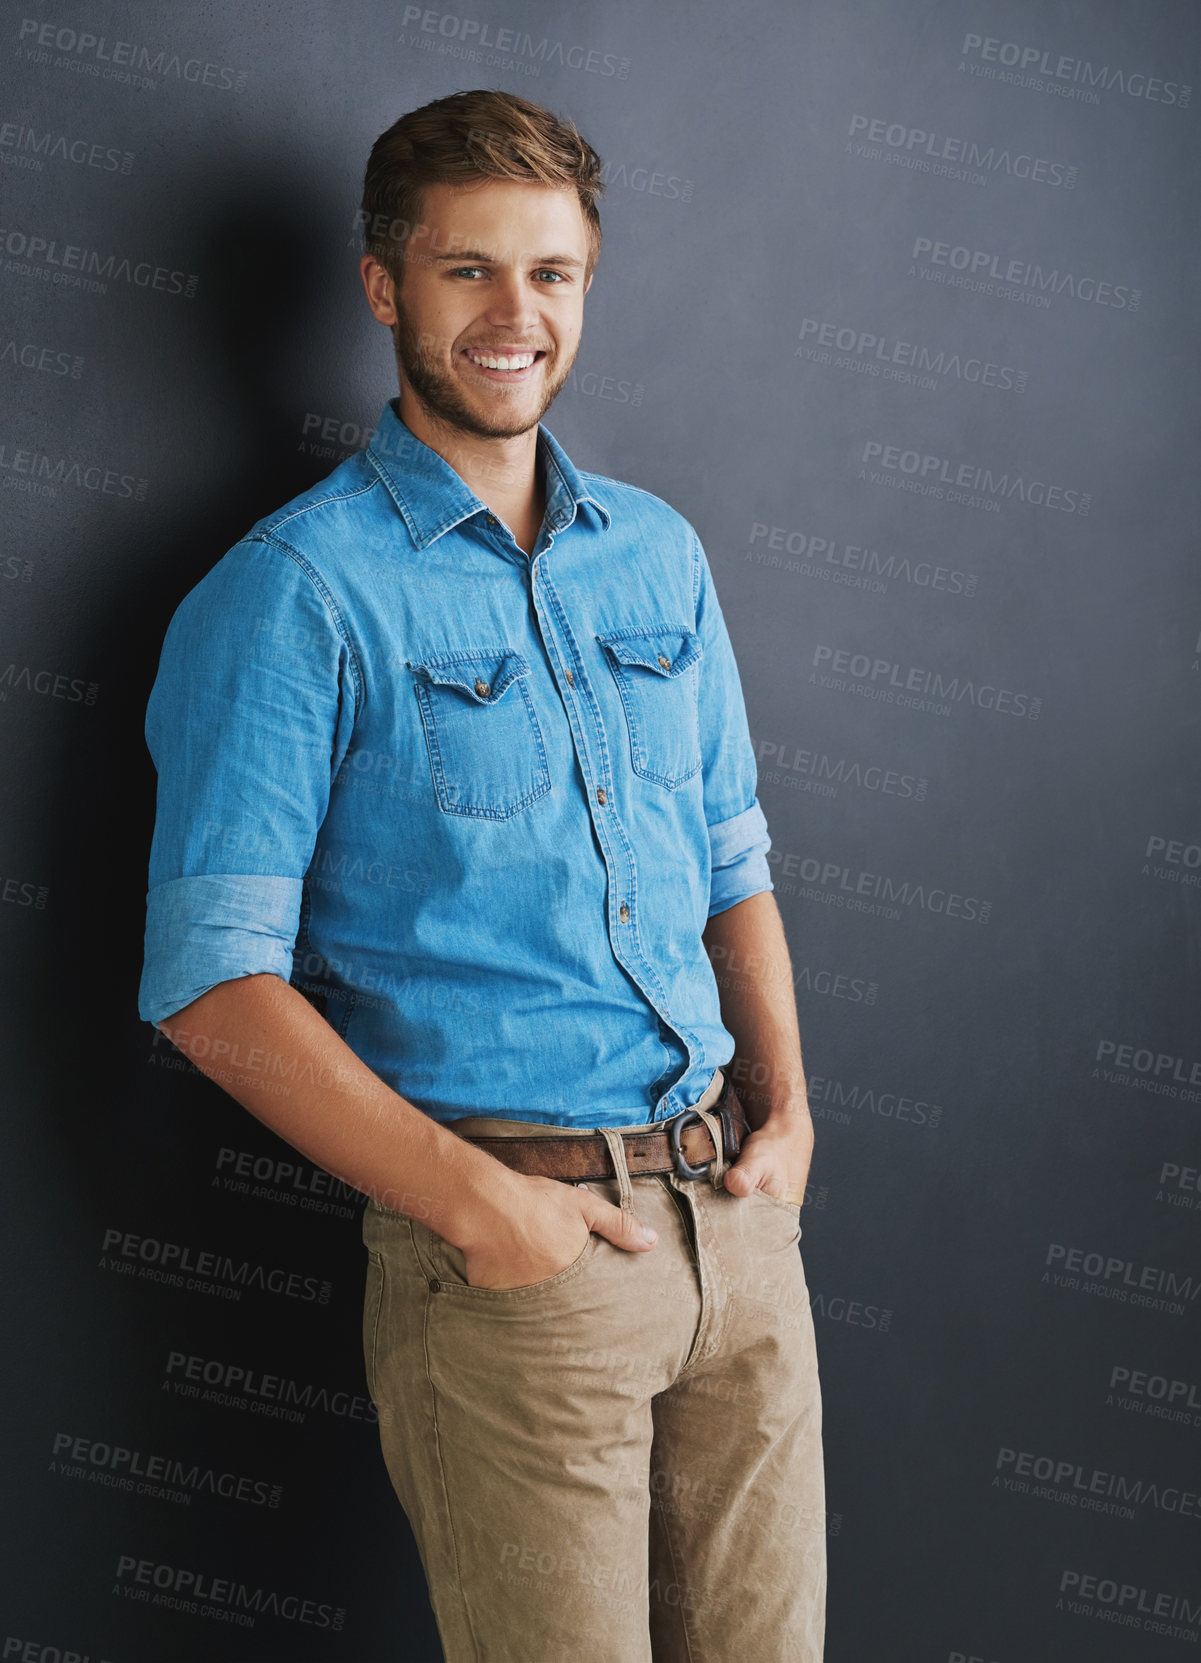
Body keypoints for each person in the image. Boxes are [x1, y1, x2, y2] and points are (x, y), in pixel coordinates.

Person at [139, 88, 825, 1662]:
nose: (515, 316)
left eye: (552, 274)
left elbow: (730, 856)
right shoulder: (293, 595)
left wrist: (784, 1117)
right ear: (384, 286)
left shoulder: (657, 553)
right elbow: (207, 984)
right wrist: (482, 1214)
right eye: (468, 272)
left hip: (738, 1231)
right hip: (522, 1273)